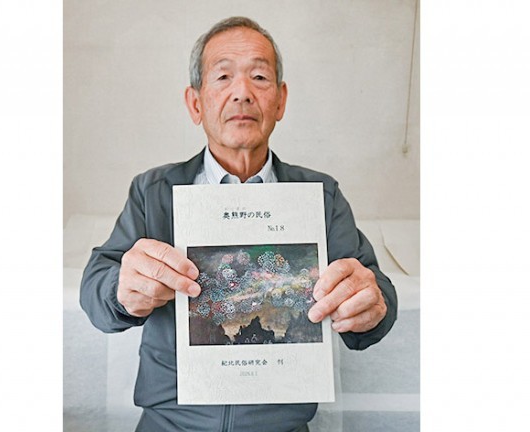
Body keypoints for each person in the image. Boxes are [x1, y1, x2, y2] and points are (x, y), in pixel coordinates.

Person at [80, 16, 397, 432]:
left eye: (259, 77)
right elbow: (96, 286)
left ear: (280, 101)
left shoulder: (319, 195)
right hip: (171, 423)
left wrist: (371, 304)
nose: (242, 92)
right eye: (223, 76)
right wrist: (119, 289)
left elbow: (374, 290)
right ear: (196, 103)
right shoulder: (153, 192)